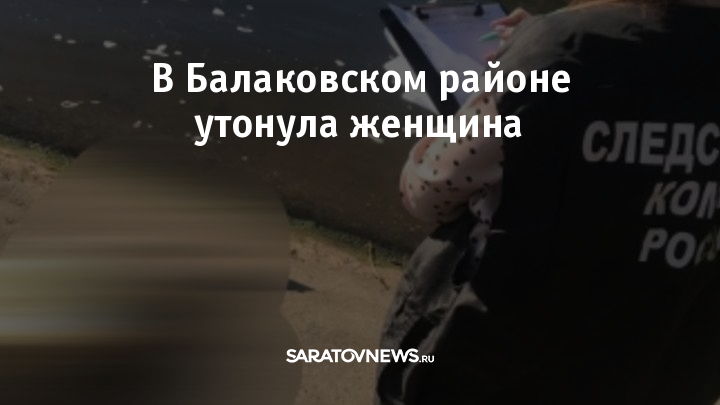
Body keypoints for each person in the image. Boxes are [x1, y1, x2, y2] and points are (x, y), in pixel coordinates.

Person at [376, 0, 720, 404]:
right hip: (661, 365)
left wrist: (533, 58)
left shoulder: (556, 50)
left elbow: (426, 193)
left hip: (499, 363)